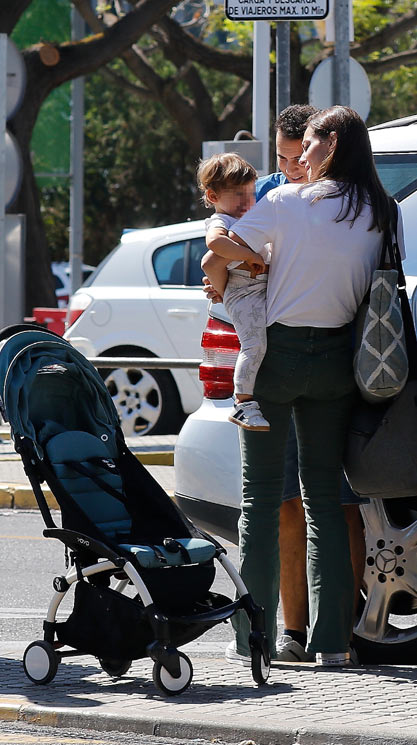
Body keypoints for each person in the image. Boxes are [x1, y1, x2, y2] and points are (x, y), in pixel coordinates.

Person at [214, 106, 395, 667]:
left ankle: (254, 640)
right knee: (324, 500)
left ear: (332, 143)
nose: (301, 153)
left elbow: (225, 246)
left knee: (260, 500)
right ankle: (333, 644)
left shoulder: (285, 202)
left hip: (277, 357)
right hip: (340, 362)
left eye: (310, 141)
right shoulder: (382, 209)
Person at [197, 153, 270, 431]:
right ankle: (243, 403)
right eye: (239, 195)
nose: (247, 202)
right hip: (243, 292)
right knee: (254, 345)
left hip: (255, 289)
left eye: (250, 194)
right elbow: (215, 244)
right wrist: (249, 255)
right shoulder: (221, 222)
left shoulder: (245, 218)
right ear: (213, 197)